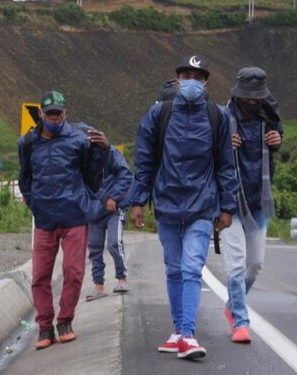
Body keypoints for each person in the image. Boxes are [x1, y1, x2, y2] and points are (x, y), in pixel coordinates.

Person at [129, 55, 237, 360]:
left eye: (197, 76)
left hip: (202, 206)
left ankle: (188, 334)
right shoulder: (158, 114)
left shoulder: (218, 117)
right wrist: (138, 200)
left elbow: (226, 166)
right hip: (167, 202)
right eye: (186, 75)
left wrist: (227, 207)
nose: (191, 81)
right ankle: (178, 331)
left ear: (206, 82)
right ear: (177, 80)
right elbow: (145, 160)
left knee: (191, 268)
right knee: (174, 269)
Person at [18, 90, 111, 350]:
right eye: (50, 114)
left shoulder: (79, 141)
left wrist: (103, 149)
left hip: (73, 215)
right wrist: (32, 201)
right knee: (39, 275)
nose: (55, 119)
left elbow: (92, 173)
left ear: (65, 114)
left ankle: (65, 321)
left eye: (59, 114)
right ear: (42, 115)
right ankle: (44, 327)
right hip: (45, 218)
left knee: (74, 271)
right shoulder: (27, 143)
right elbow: (25, 177)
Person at [221, 66, 283, 343]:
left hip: (258, 199)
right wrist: (222, 144)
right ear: (239, 94)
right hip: (230, 201)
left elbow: (277, 141)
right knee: (235, 264)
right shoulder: (222, 118)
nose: (252, 101)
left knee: (255, 264)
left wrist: (277, 141)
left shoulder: (269, 116)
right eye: (248, 97)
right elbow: (207, 154)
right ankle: (241, 323)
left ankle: (232, 305)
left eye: (256, 97)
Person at [81, 136, 133, 302]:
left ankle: (122, 278)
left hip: (114, 208)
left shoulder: (112, 154)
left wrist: (114, 197)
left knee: (113, 243)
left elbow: (126, 175)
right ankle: (98, 286)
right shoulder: (80, 158)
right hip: (93, 209)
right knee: (95, 248)